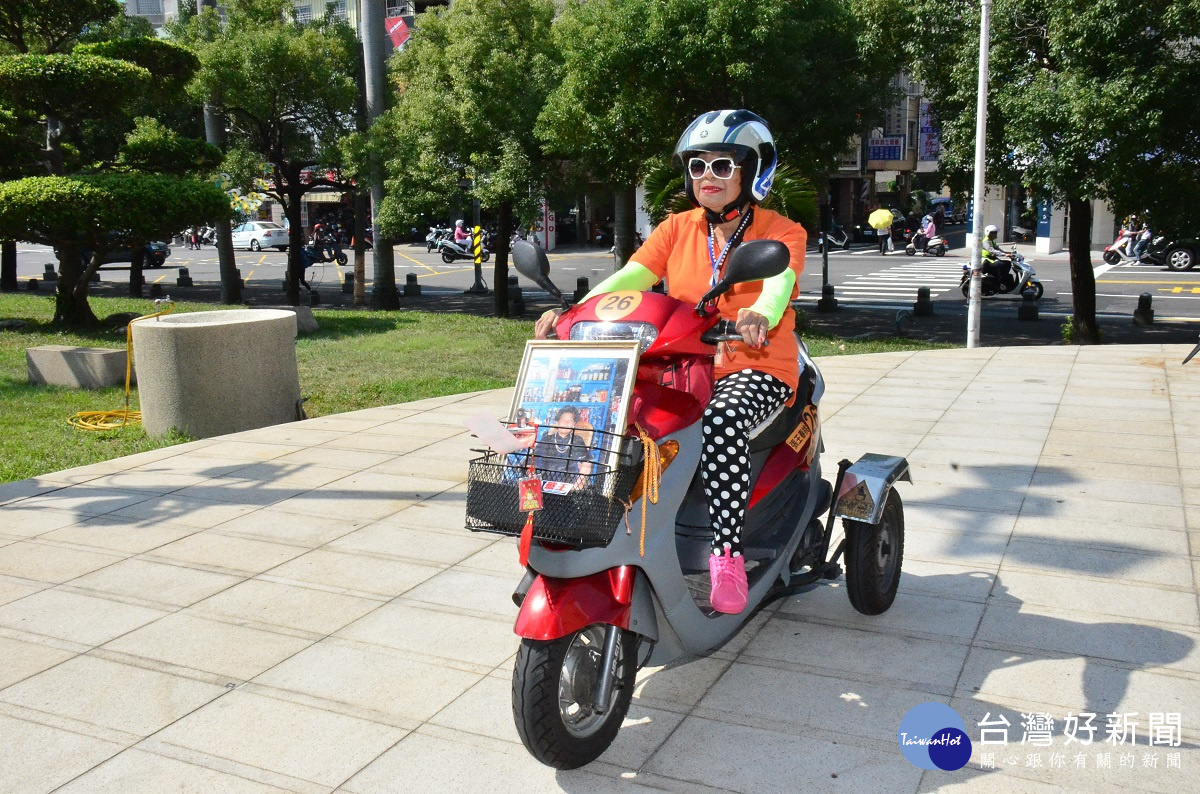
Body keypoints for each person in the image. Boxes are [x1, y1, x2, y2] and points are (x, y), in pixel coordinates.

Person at [534, 109, 806, 614]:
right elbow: (632, 277)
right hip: (684, 364)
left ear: (752, 171)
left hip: (754, 364)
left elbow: (777, 285)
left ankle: (725, 552)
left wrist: (758, 316)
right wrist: (574, 311)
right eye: (699, 166)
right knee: (610, 413)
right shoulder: (677, 228)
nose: (708, 177)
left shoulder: (781, 231)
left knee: (722, 420)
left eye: (723, 166)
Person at [531, 406, 593, 486]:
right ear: (558, 422)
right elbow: (533, 458)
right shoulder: (547, 439)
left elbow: (587, 463)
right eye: (563, 420)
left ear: (574, 424)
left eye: (570, 421)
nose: (566, 423)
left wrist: (578, 485)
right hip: (546, 484)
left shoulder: (577, 440)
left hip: (569, 485)